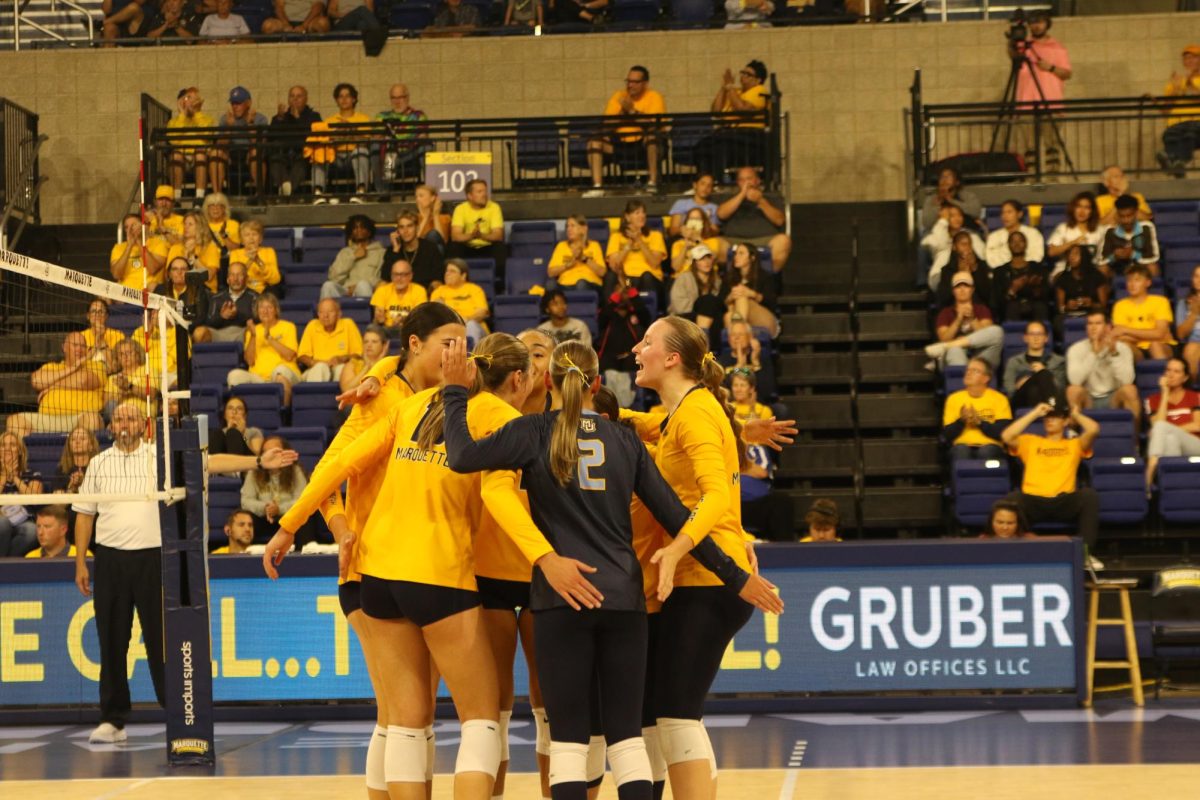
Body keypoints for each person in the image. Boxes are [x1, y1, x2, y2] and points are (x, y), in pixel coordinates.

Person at [441, 337, 779, 800]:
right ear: (598, 383)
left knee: (569, 744)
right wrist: (736, 575)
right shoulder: (625, 441)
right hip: (625, 599)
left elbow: (460, 455)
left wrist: (456, 392)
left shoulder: (532, 432)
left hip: (561, 600)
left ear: (547, 381)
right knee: (627, 740)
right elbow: (679, 517)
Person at [274, 332, 551, 800]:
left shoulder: (413, 405)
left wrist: (289, 525)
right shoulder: (500, 416)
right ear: (518, 379)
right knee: (481, 720)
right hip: (440, 574)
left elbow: (341, 463)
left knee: (404, 720)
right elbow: (506, 492)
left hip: (378, 576)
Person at [265, 304, 464, 800]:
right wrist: (328, 526)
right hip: (371, 566)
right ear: (416, 343)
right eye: (447, 341)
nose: (458, 351)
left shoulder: (448, 395)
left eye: (463, 341)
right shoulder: (378, 402)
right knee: (403, 712)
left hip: (424, 564)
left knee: (409, 712)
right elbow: (330, 470)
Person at [74, 401, 298, 744]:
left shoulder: (159, 457)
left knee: (161, 643)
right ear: (110, 425)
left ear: (144, 424)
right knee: (112, 642)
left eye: (131, 417)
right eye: (118, 417)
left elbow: (207, 463)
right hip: (110, 562)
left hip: (153, 560)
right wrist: (79, 563)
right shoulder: (98, 463)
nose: (124, 423)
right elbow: (85, 514)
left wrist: (256, 461)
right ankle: (112, 720)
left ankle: (177, 715)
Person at [630, 315, 768, 799]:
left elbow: (714, 497)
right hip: (701, 577)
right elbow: (644, 425)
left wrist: (675, 549)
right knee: (667, 712)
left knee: (675, 714)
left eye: (646, 342)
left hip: (709, 578)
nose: (635, 349)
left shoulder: (694, 412)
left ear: (672, 359)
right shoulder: (683, 410)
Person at [1000, 402, 1100, 565]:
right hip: (1034, 501)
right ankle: (1016, 554)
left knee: (1089, 496)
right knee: (1013, 498)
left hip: (1063, 501)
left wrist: (1075, 415)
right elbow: (1007, 436)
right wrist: (1035, 412)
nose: (1049, 420)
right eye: (1047, 418)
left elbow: (1094, 429)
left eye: (1055, 417)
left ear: (1065, 422)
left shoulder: (1074, 444)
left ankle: (1084, 555)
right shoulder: (1031, 441)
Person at [7, 332, 106, 439]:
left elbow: (83, 381)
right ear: (64, 347)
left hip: (81, 417)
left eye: (83, 346)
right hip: (48, 419)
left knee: (92, 420)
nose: (79, 349)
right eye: (75, 345)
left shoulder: (96, 366)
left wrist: (53, 386)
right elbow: (36, 381)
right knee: (14, 422)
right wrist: (74, 367)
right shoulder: (51, 367)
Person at [585, 66, 665, 196]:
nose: (630, 85)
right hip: (619, 143)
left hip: (642, 145)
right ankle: (597, 187)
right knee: (594, 142)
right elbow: (606, 126)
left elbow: (653, 126)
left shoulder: (654, 97)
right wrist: (623, 112)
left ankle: (652, 183)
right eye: (628, 81)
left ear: (645, 83)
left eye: (634, 82)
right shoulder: (619, 96)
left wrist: (633, 112)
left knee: (652, 138)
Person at [731, 369, 791, 542]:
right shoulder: (726, 411)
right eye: (735, 385)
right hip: (729, 499)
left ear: (751, 389)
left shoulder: (761, 412)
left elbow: (762, 472)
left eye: (742, 385)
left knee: (782, 502)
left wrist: (742, 464)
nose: (738, 389)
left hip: (758, 497)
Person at [1009, 9, 1072, 172]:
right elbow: (1013, 57)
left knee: (1052, 143)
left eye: (1040, 22)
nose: (1036, 26)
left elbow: (1067, 73)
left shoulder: (1058, 48)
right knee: (1029, 145)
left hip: (1051, 102)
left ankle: (1053, 175)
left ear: (1047, 24)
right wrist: (1012, 41)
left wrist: (1050, 67)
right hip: (1026, 103)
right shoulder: (1023, 46)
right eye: (1033, 23)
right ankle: (1031, 176)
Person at [697, 61, 771, 176]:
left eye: (748, 74)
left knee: (719, 147)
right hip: (730, 135)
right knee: (703, 147)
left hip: (750, 137)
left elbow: (741, 109)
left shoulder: (759, 91)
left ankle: (719, 181)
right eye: (743, 73)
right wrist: (724, 87)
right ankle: (705, 181)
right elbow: (716, 111)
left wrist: (730, 88)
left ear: (758, 80)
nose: (743, 76)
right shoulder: (735, 92)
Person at [1065, 309, 1140, 423]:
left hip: (1114, 398)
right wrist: (1093, 354)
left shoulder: (1122, 348)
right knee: (1073, 390)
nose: (1093, 328)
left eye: (1098, 323)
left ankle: (1134, 438)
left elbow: (1127, 380)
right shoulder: (1076, 349)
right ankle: (1073, 436)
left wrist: (1114, 353)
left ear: (1107, 327)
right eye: (1090, 324)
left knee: (1130, 390)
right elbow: (1075, 381)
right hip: (1088, 398)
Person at [228, 293, 302, 405]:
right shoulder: (253, 331)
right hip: (259, 378)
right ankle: (240, 413)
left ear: (276, 310)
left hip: (285, 374)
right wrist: (253, 336)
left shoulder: (288, 327)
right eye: (261, 307)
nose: (265, 311)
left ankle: (282, 413)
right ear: (257, 311)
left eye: (269, 307)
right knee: (234, 375)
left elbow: (290, 355)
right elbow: (250, 361)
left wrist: (270, 339)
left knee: (280, 371)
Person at [716, 166, 790, 273]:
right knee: (715, 243)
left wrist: (760, 201)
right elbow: (721, 214)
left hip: (765, 239)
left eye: (749, 179)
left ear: (758, 181)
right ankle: (729, 278)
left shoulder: (771, 197)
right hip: (734, 240)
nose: (746, 183)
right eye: (742, 180)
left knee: (784, 241)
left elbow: (779, 220)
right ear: (738, 183)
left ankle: (767, 277)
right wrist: (741, 195)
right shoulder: (730, 198)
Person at [925, 272, 1003, 370]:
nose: (962, 290)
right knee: (955, 350)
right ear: (953, 291)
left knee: (997, 331)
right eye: (958, 287)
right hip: (954, 356)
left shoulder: (982, 310)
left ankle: (947, 346)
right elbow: (943, 338)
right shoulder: (945, 313)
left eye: (966, 286)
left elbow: (988, 336)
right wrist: (958, 320)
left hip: (979, 355)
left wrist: (972, 319)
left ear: (972, 289)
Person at [1144, 358, 1200, 491]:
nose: (1170, 374)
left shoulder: (1195, 396)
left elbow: (1198, 425)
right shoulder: (1152, 400)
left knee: (1163, 429)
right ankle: (1173, 488)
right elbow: (1157, 424)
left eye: (1176, 371)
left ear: (1185, 377)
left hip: (1195, 445)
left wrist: (1169, 429)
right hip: (1168, 445)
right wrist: (1164, 394)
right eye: (1168, 370)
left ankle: (1150, 469)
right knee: (1170, 439)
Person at [241, 434, 310, 542]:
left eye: (275, 451)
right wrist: (265, 507)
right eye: (266, 451)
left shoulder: (295, 471)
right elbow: (245, 501)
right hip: (263, 518)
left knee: (305, 518)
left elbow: (303, 501)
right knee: (247, 518)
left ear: (285, 452)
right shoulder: (254, 472)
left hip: (288, 518)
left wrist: (279, 509)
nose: (270, 455)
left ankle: (306, 555)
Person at [311, 83, 372, 204]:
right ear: (337, 100)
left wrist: (351, 131)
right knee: (320, 152)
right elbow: (326, 141)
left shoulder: (363, 118)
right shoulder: (329, 121)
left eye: (348, 96)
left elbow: (365, 142)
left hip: (353, 156)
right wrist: (338, 134)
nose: (344, 99)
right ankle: (318, 193)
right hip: (336, 157)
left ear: (354, 99)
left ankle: (361, 192)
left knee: (361, 151)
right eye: (340, 96)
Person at [942, 357, 1012, 461]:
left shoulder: (999, 399)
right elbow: (947, 434)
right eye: (968, 370)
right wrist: (962, 421)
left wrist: (979, 422)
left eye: (975, 370)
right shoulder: (953, 399)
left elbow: (1003, 433)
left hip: (991, 446)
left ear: (986, 378)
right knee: (961, 451)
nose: (968, 373)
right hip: (961, 446)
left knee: (986, 452)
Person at [596, 278, 650, 407]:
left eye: (625, 292)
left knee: (635, 365)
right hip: (609, 357)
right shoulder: (608, 313)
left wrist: (632, 293)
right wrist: (616, 297)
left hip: (631, 357)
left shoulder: (636, 312)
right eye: (619, 292)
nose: (622, 295)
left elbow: (646, 317)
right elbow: (601, 319)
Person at [209, 86, 268, 195]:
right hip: (230, 153)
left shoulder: (260, 119)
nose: (235, 107)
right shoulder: (226, 119)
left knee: (256, 152)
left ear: (248, 103)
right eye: (233, 103)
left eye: (238, 103)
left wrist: (250, 123)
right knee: (215, 153)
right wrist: (229, 128)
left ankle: (259, 193)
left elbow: (259, 143)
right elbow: (220, 144)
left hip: (249, 152)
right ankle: (217, 196)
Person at [606, 200, 668, 301]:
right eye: (637, 213)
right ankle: (609, 311)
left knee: (646, 276)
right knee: (614, 278)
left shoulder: (655, 235)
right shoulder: (616, 237)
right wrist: (629, 243)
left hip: (649, 280)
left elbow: (655, 263)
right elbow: (614, 265)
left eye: (643, 212)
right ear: (627, 217)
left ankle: (647, 313)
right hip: (627, 281)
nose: (642, 216)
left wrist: (639, 241)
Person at [1112, 263, 1174, 361]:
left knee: (1155, 345)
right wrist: (1151, 334)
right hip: (1135, 348)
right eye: (1129, 280)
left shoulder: (1161, 301)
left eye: (1137, 280)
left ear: (1148, 282)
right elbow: (1120, 336)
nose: (1132, 284)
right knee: (1123, 347)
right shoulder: (1120, 305)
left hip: (1162, 345)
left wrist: (1126, 330)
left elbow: (1160, 334)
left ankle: (1162, 375)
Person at [269, 85, 323, 197]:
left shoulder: (314, 116)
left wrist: (298, 119)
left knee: (300, 164)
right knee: (275, 161)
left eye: (299, 96)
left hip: (302, 155)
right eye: (292, 96)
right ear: (288, 99)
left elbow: (311, 136)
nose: (295, 99)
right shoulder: (280, 118)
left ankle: (289, 192)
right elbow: (272, 136)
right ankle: (286, 187)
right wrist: (279, 119)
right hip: (282, 154)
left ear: (306, 99)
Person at [376, 84, 430, 191]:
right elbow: (377, 136)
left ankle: (429, 189)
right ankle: (385, 192)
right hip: (391, 153)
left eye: (400, 97)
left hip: (412, 152)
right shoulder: (382, 116)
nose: (397, 101)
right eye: (393, 98)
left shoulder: (418, 115)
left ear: (407, 98)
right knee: (388, 155)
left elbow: (423, 136)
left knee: (426, 147)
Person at [1157, 44, 1200, 177]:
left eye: (1193, 58)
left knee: (1189, 135)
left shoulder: (1188, 81)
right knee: (1169, 136)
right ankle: (1176, 165)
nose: (1189, 61)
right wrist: (1174, 91)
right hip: (1176, 122)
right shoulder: (1176, 82)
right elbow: (1165, 110)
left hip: (1197, 122)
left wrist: (1188, 84)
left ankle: (1172, 160)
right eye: (1186, 58)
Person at [297, 298, 363, 383]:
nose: (325, 316)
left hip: (340, 366)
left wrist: (342, 358)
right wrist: (314, 362)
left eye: (330, 311)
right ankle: (317, 396)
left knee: (342, 369)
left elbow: (359, 354)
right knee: (320, 368)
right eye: (321, 312)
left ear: (339, 314)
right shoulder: (312, 325)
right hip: (316, 369)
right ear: (318, 314)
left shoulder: (348, 324)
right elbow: (302, 356)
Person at [1003, 321, 1066, 410]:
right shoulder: (1014, 361)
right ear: (1025, 338)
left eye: (1040, 334)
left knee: (1041, 378)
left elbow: (1060, 388)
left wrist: (1044, 373)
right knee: (1036, 384)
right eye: (1032, 334)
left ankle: (1049, 409)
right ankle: (1053, 410)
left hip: (1049, 396)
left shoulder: (1058, 361)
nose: (1036, 338)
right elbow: (1009, 389)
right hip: (1020, 400)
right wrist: (1022, 385)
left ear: (1046, 338)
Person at [990, 231, 1050, 324]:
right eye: (1013, 241)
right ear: (1008, 245)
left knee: (1040, 307)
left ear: (1026, 244)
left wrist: (1036, 288)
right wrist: (1012, 290)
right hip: (1010, 309)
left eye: (1020, 241)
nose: (1017, 244)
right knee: (1012, 307)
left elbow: (1047, 295)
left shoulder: (1037, 268)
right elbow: (996, 302)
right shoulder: (1000, 271)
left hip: (1035, 305)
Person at [668, 244, 726, 339]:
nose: (707, 262)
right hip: (686, 317)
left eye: (708, 258)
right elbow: (678, 305)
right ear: (694, 263)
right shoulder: (683, 278)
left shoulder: (717, 281)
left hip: (712, 319)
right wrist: (701, 307)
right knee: (708, 300)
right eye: (702, 259)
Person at [0, 432, 43, 557]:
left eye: (12, 445)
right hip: (1, 519)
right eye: (3, 445)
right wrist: (3, 476)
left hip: (24, 522)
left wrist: (15, 478)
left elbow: (34, 499)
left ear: (19, 450)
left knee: (32, 531)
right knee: (3, 524)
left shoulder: (32, 473)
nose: (7, 448)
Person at [167, 87, 214, 199]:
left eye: (194, 99)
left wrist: (196, 113)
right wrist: (182, 115)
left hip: (200, 155)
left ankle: (199, 198)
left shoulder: (207, 119)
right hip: (182, 155)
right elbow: (173, 140)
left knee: (200, 155)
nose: (190, 102)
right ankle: (177, 198)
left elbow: (207, 135)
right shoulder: (174, 121)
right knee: (176, 156)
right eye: (188, 98)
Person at [323, 214, 385, 299]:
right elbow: (334, 278)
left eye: (362, 227)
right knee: (328, 285)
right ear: (351, 232)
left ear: (369, 231)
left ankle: (365, 312)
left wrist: (357, 286)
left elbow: (381, 279)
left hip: (369, 289)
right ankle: (324, 312)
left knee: (363, 285)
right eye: (355, 228)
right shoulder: (345, 252)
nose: (359, 230)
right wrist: (353, 257)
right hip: (346, 290)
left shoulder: (381, 252)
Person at [723, 241, 778, 337]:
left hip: (766, 321)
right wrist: (730, 297)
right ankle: (738, 345)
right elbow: (720, 305)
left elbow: (772, 303)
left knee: (742, 298)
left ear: (752, 257)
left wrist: (752, 294)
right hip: (739, 319)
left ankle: (739, 339)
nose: (736, 257)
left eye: (741, 253)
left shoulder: (765, 276)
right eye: (735, 253)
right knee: (728, 316)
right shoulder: (729, 278)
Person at [924, 206, 986, 291]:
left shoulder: (971, 236)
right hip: (945, 277)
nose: (957, 218)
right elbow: (937, 245)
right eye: (952, 215)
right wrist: (943, 221)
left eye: (959, 215)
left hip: (971, 275)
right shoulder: (939, 235)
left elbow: (983, 256)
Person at [448, 179, 506, 267]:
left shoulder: (494, 207)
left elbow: (498, 235)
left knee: (500, 247)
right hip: (468, 247)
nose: (484, 194)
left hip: (487, 247)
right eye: (479, 192)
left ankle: (500, 279)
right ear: (470, 196)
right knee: (454, 247)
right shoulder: (460, 209)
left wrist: (481, 235)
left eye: (485, 191)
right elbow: (455, 236)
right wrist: (472, 236)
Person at [1100, 195, 1160, 277]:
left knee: (1153, 267)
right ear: (1117, 214)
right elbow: (1101, 260)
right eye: (1122, 216)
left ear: (1136, 213)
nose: (1126, 220)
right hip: (1117, 268)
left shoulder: (1147, 227)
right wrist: (1114, 256)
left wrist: (1133, 254)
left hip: (1141, 268)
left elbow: (1154, 257)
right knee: (1102, 269)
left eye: (1129, 216)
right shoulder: (1109, 231)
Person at [155, 257, 213, 342]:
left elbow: (201, 318)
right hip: (166, 331)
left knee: (201, 332)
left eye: (183, 269)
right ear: (169, 274)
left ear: (190, 272)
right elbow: (153, 316)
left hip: (189, 331)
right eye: (175, 269)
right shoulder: (160, 290)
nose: (179, 272)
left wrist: (183, 327)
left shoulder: (198, 289)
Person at [1046, 192, 1103, 278]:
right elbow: (1051, 252)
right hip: (1065, 269)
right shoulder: (1063, 228)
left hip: (1091, 270)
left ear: (1092, 211)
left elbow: (1101, 257)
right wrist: (1073, 243)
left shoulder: (1099, 230)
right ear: (1073, 208)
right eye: (1078, 206)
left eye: (1086, 208)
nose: (1082, 211)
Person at [431, 260, 490, 343]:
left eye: (452, 271)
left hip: (474, 330)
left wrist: (464, 320)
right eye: (447, 271)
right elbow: (434, 315)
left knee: (471, 325)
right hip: (449, 331)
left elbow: (482, 312)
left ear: (463, 276)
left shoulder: (474, 289)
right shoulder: (438, 292)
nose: (447, 273)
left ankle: (472, 355)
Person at [384, 209, 442, 290]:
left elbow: (437, 277)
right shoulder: (392, 250)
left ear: (417, 228)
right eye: (401, 227)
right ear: (397, 231)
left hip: (423, 293)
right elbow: (385, 278)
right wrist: (396, 251)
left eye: (409, 226)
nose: (405, 231)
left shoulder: (430, 248)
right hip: (397, 293)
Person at [1053, 244, 1109, 329]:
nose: (1072, 257)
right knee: (1058, 320)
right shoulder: (1062, 278)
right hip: (1070, 315)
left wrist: (1092, 304)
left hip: (1092, 314)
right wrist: (1067, 306)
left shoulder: (1096, 276)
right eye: (1070, 254)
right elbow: (1060, 308)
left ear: (1084, 256)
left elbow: (1103, 306)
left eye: (1076, 254)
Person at [549, 214, 607, 293]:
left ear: (584, 229)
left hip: (588, 283)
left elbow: (602, 272)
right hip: (565, 285)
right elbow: (550, 272)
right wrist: (567, 266)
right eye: (567, 226)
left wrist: (584, 259)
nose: (569, 229)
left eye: (573, 226)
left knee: (581, 284)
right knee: (550, 285)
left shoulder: (594, 245)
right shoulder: (561, 246)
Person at [166, 210, 222, 292]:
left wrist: (192, 258)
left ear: (200, 227)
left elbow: (209, 276)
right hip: (181, 291)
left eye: (190, 224)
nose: (186, 227)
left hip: (205, 292)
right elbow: (168, 276)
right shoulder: (175, 248)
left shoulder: (210, 247)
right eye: (185, 224)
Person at [372, 259, 430, 336]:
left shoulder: (419, 291)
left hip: (411, 330)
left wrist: (404, 319)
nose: (399, 278)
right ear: (391, 276)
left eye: (403, 274)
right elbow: (376, 321)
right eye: (396, 274)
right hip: (386, 330)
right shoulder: (382, 290)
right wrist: (379, 319)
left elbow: (420, 317)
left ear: (410, 276)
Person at [205, 260, 260, 343]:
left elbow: (258, 320)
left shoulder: (256, 297)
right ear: (227, 279)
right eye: (232, 275)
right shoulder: (216, 297)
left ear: (246, 278)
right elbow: (209, 322)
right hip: (219, 333)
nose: (235, 279)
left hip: (243, 332)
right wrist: (222, 317)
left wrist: (237, 314)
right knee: (199, 332)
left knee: (254, 330)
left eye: (239, 275)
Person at [111, 214, 168, 291]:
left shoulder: (158, 243)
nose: (130, 229)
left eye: (133, 225)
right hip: (125, 293)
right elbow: (116, 275)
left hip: (149, 290)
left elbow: (153, 269)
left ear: (143, 226)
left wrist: (139, 242)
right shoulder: (118, 247)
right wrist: (129, 246)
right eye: (126, 227)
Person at [103, 340, 155, 421]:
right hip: (119, 418)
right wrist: (121, 394)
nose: (125, 356)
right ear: (118, 358)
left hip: (142, 417)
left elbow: (151, 395)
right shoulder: (113, 378)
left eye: (129, 352)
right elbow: (107, 406)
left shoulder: (148, 371)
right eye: (121, 354)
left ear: (138, 355)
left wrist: (129, 387)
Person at [226, 220, 281, 297]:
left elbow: (275, 280)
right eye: (247, 235)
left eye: (254, 234)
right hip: (244, 292)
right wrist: (251, 260)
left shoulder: (269, 251)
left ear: (260, 238)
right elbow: (235, 279)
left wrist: (258, 260)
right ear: (241, 240)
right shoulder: (235, 254)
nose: (251, 238)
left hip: (266, 291)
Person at [985, 199, 1045, 269]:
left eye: (1009, 212)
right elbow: (990, 259)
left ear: (1019, 214)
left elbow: (1037, 256)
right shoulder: (994, 236)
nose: (1005, 216)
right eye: (1002, 213)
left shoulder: (1033, 233)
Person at [920, 165, 983, 230]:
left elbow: (976, 212)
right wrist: (937, 204)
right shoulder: (931, 199)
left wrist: (951, 200)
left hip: (964, 233)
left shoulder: (967, 196)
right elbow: (927, 223)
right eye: (942, 177)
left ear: (957, 182)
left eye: (948, 176)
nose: (944, 179)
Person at [669, 207, 726, 275]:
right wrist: (685, 247)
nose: (694, 222)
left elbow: (713, 258)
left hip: (705, 277)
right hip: (683, 278)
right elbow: (675, 267)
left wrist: (698, 239)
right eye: (691, 219)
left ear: (704, 223)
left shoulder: (712, 241)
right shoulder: (678, 244)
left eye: (698, 219)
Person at [81, 299, 126, 375]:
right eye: (93, 311)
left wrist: (101, 339)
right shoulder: (81, 336)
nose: (97, 314)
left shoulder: (118, 335)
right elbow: (79, 365)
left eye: (101, 311)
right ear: (88, 316)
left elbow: (114, 367)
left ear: (106, 316)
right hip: (86, 374)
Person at [668, 174, 720, 238]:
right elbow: (672, 231)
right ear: (695, 185)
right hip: (684, 240)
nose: (705, 188)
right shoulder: (681, 204)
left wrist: (707, 227)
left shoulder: (714, 208)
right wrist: (682, 230)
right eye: (702, 184)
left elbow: (715, 230)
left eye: (709, 185)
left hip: (705, 241)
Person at [55, 426, 100, 495]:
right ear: (69, 446)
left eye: (82, 439)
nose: (77, 442)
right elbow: (58, 504)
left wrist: (85, 483)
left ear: (91, 446)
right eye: (73, 439)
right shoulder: (61, 470)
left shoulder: (99, 468)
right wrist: (72, 488)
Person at [1176, 264, 1200, 377]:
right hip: (1194, 343)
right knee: (1191, 348)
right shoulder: (1183, 303)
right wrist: (1194, 313)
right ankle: (1191, 391)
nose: (1198, 280)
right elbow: (1181, 335)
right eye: (1196, 276)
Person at [261, 0, 331, 34]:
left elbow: (318, 7)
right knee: (268, 25)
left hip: (309, 22)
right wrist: (286, 24)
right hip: (285, 22)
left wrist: (304, 26)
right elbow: (278, 7)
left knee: (322, 24)